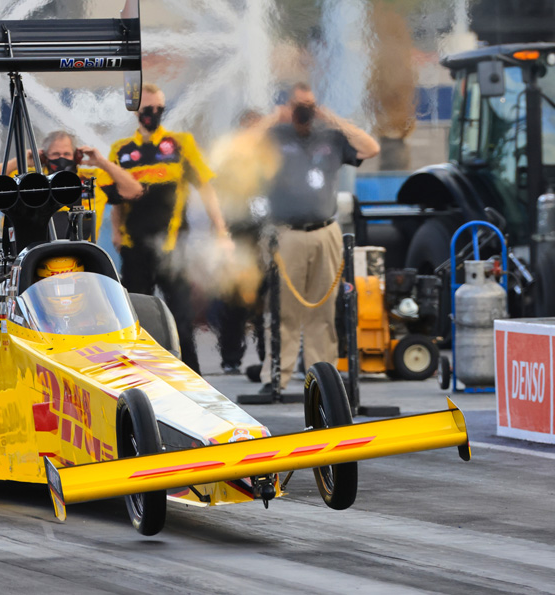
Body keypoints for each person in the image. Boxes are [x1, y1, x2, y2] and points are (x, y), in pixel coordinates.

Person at [256, 82, 380, 391]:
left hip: (325, 231)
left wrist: (333, 118)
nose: (304, 112)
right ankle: (276, 377)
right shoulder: (275, 136)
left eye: (309, 106)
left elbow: (371, 148)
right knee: (284, 308)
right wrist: (275, 117)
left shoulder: (332, 138)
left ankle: (322, 377)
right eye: (300, 106)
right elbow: (242, 147)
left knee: (323, 309)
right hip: (288, 232)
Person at [109, 83, 232, 374]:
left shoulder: (180, 144)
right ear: (136, 112)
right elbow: (116, 199)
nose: (152, 114)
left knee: (181, 313)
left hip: (173, 244)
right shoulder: (122, 150)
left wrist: (221, 229)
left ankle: (191, 375)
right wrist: (115, 232)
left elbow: (206, 188)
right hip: (135, 245)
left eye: (158, 109)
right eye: (147, 109)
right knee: (133, 314)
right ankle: (138, 375)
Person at [0, 131, 144, 241]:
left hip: (84, 257)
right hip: (39, 253)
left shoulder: (93, 178)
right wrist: (18, 162)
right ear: (44, 157)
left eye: (66, 154)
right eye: (55, 154)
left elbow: (135, 191)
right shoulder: (32, 179)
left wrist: (102, 162)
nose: (61, 159)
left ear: (76, 156)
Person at [211, 110, 269, 375]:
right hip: (238, 235)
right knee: (234, 300)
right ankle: (231, 357)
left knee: (264, 301)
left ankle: (267, 357)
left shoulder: (271, 159)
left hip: (266, 237)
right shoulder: (229, 161)